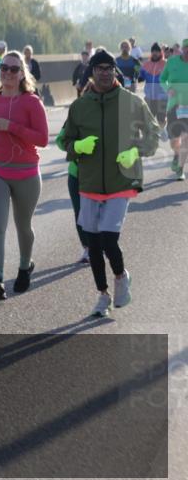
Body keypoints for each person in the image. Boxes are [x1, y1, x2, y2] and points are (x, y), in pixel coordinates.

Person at [61, 49, 160, 317]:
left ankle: (120, 275)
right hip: (89, 182)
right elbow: (64, 141)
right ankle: (102, 295)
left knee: (108, 238)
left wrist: (136, 150)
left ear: (115, 71)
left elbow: (153, 133)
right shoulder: (80, 106)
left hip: (121, 180)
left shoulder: (130, 101)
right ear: (91, 72)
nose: (104, 72)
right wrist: (77, 147)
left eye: (108, 68)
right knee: (93, 244)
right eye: (99, 68)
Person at [0, 51, 49, 300]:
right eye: (4, 68)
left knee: (23, 225)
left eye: (13, 69)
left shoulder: (31, 102)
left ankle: (25, 266)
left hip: (26, 173)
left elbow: (43, 139)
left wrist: (14, 127)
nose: (7, 72)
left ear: (22, 74)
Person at [56, 123, 90, 264]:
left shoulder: (107, 110)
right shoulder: (75, 114)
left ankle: (105, 245)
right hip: (76, 174)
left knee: (99, 212)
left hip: (101, 174)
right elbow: (60, 140)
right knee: (80, 212)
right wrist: (76, 146)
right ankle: (88, 248)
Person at [161, 39, 188, 179]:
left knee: (186, 138)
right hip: (174, 106)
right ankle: (176, 155)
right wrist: (168, 88)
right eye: (186, 48)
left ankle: (180, 169)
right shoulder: (171, 62)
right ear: (182, 49)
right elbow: (162, 79)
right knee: (174, 140)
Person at [140, 42, 168, 136]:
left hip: (162, 97)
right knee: (148, 118)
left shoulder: (166, 64)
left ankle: (161, 130)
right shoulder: (146, 64)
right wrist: (137, 75)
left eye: (157, 51)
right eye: (153, 51)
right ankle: (151, 135)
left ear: (161, 52)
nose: (155, 53)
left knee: (161, 118)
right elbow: (141, 78)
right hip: (149, 97)